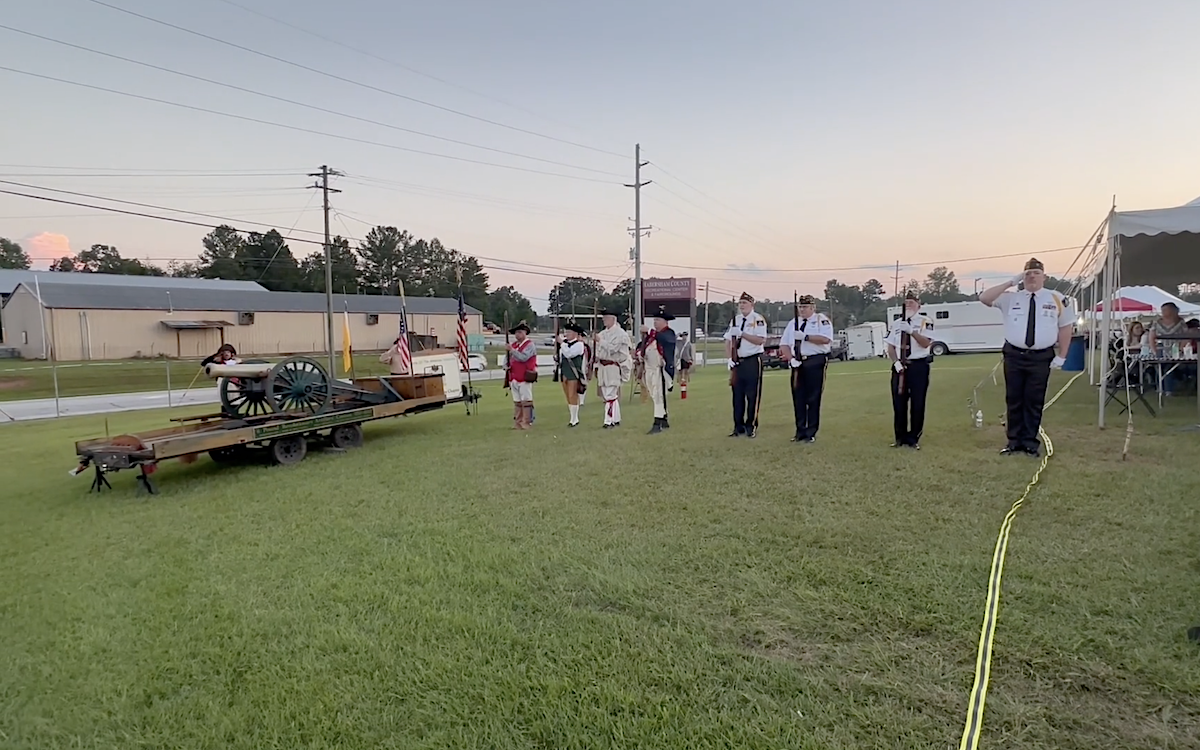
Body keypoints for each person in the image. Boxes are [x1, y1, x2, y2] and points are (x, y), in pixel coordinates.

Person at [979, 257, 1076, 457]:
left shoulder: (1057, 298)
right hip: (1014, 354)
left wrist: (1062, 356)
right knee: (1014, 398)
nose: (1032, 277)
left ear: (1045, 277)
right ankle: (1013, 441)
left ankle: (1030, 442)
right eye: (1028, 274)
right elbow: (984, 298)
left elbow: (1066, 328)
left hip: (1041, 356)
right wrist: (1010, 283)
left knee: (1034, 399)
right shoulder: (1011, 298)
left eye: (1036, 273)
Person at [779, 294, 834, 443]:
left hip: (815, 361)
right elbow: (784, 344)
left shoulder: (821, 320)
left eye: (805, 307)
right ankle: (800, 431)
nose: (802, 310)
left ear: (813, 308)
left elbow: (825, 339)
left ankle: (811, 432)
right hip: (798, 363)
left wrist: (806, 337)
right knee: (798, 398)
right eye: (800, 307)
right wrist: (791, 359)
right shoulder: (793, 323)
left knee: (813, 397)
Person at [885, 291, 934, 449]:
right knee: (899, 403)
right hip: (900, 366)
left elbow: (926, 343)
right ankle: (900, 437)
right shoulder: (897, 323)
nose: (908, 305)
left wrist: (912, 332)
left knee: (917, 403)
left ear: (919, 305)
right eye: (906, 303)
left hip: (918, 365)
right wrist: (896, 362)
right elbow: (891, 346)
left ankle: (914, 438)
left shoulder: (925, 321)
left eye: (912, 303)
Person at [723, 292, 768, 438]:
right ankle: (738, 426)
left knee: (752, 395)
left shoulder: (757, 320)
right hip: (738, 361)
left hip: (752, 360)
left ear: (751, 305)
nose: (742, 306)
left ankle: (751, 425)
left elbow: (760, 340)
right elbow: (728, 340)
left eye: (745, 303)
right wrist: (729, 358)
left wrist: (742, 334)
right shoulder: (735, 320)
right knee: (737, 396)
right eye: (740, 303)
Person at [636, 306, 677, 434]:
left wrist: (650, 332)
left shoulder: (668, 333)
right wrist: (638, 353)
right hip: (649, 369)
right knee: (655, 395)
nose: (655, 323)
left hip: (661, 369)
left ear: (665, 322)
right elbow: (641, 347)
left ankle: (657, 423)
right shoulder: (651, 336)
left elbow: (665, 341)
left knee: (659, 395)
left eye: (658, 320)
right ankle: (663, 418)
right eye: (654, 320)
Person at [593, 308, 633, 428]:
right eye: (603, 318)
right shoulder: (602, 333)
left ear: (613, 319)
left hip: (613, 366)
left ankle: (608, 420)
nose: (604, 320)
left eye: (607, 318)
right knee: (608, 394)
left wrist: (601, 341)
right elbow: (598, 351)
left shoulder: (621, 334)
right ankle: (616, 418)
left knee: (610, 394)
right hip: (602, 367)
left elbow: (613, 349)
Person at [506, 321, 537, 430]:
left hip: (525, 376)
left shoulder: (530, 345)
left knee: (526, 400)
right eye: (516, 333)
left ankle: (527, 422)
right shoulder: (514, 345)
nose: (517, 335)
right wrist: (506, 365)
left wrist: (512, 351)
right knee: (517, 401)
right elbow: (508, 359)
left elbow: (523, 357)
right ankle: (518, 422)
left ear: (525, 333)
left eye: (519, 332)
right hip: (514, 376)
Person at [557, 321, 587, 427]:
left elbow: (569, 354)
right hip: (564, 372)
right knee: (567, 396)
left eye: (569, 332)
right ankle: (572, 417)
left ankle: (574, 419)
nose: (566, 334)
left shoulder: (579, 344)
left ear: (575, 333)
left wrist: (561, 344)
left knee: (572, 395)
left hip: (574, 373)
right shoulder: (564, 344)